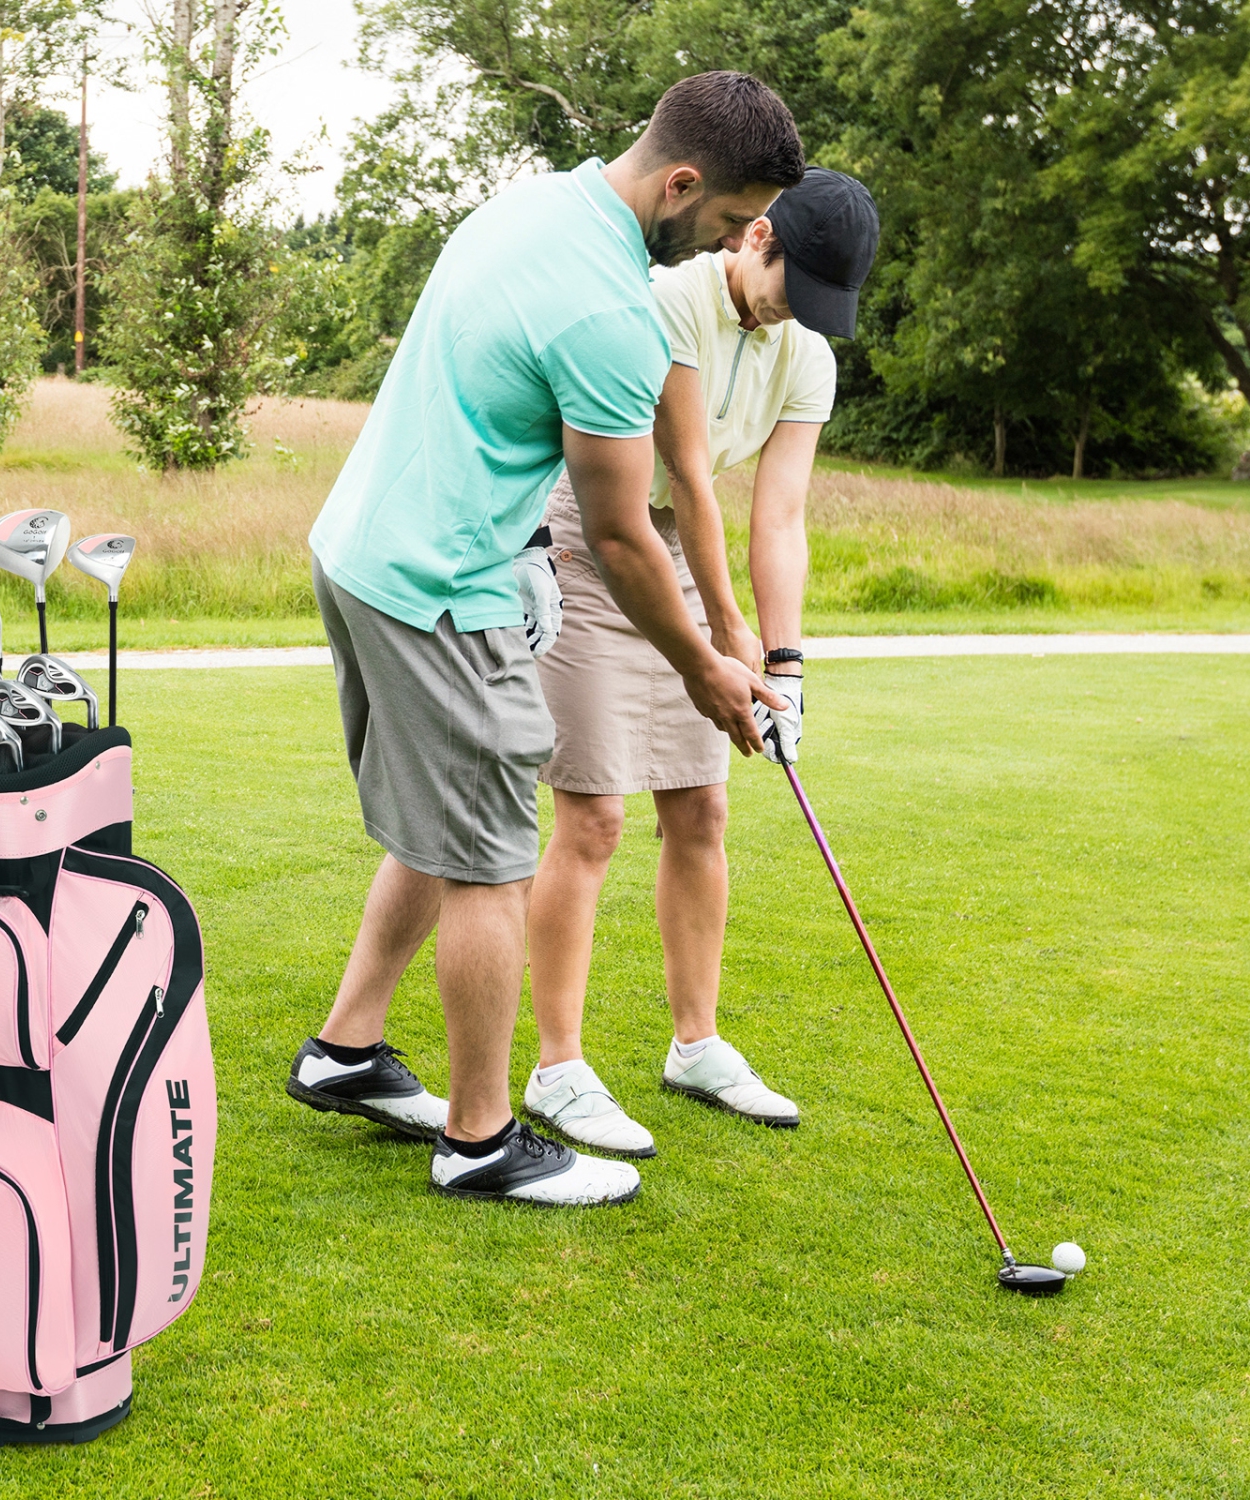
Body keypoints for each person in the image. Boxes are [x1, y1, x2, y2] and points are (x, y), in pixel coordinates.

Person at [286, 72, 806, 1207]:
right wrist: (710, 672)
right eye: (723, 220)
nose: (721, 241)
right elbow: (623, 540)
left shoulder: (528, 204)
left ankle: (346, 1051)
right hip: (438, 583)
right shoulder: (611, 315)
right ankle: (478, 1143)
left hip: (360, 545)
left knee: (442, 824)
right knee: (490, 859)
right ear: (682, 182)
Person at [521, 168, 880, 1158]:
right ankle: (558, 1068)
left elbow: (781, 513)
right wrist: (725, 631)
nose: (793, 318)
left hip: (687, 551)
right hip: (596, 545)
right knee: (593, 815)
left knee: (702, 805)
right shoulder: (669, 302)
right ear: (755, 236)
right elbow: (683, 472)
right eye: (790, 288)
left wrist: (788, 661)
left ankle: (696, 1045)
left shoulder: (804, 351)